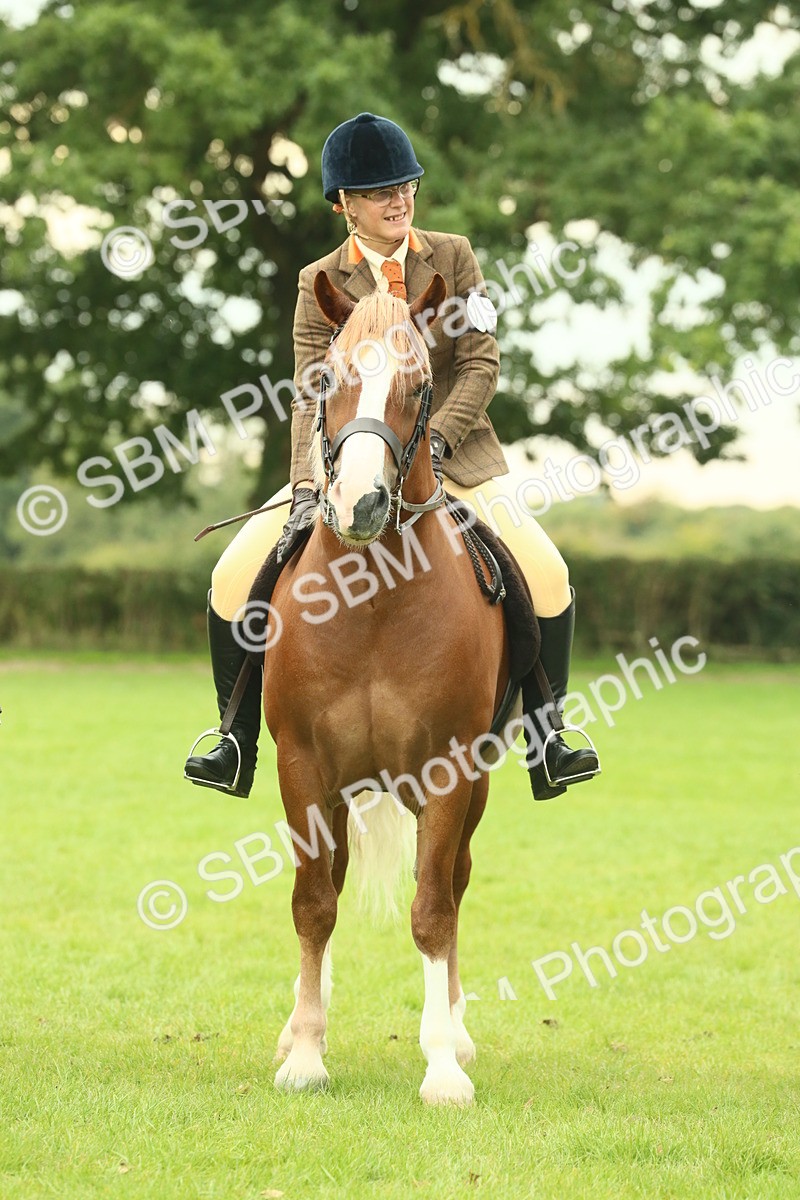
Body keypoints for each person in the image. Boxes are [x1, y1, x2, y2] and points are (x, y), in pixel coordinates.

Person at [184, 112, 600, 802]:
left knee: (549, 575)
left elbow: (480, 363)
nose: (399, 199)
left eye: (405, 185)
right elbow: (310, 391)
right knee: (231, 578)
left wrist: (434, 440)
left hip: (452, 464)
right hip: (343, 468)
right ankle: (235, 743)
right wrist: (308, 485)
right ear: (344, 204)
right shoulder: (318, 280)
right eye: (380, 191)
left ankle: (548, 741)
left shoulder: (454, 257)